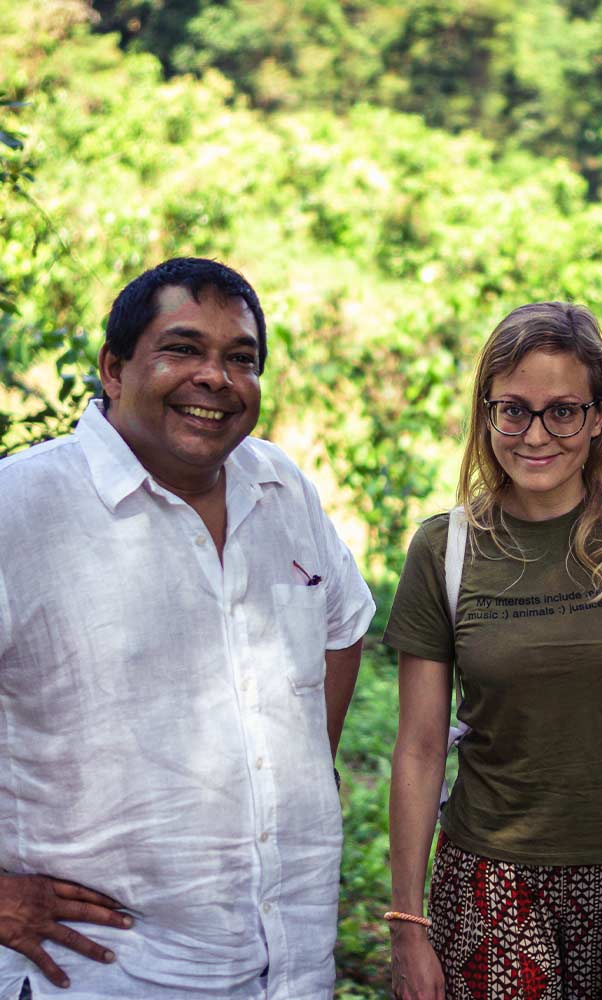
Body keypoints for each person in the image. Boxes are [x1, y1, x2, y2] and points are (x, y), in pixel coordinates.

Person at [0, 258, 375, 1000]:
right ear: (114, 368)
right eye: (182, 349)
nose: (216, 378)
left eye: (242, 358)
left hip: (289, 965)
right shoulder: (22, 508)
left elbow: (342, 623)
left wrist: (300, 770)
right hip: (102, 974)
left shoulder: (281, 489)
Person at [383, 302, 602, 1000]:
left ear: (600, 416)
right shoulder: (444, 549)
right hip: (491, 882)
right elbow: (419, 749)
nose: (536, 435)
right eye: (513, 410)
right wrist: (407, 927)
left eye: (564, 411)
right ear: (486, 414)